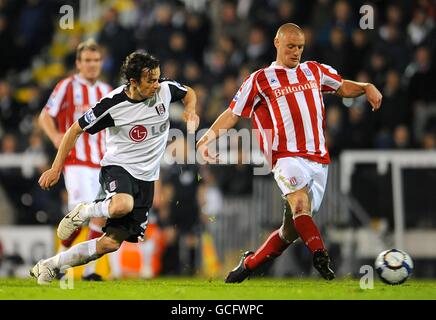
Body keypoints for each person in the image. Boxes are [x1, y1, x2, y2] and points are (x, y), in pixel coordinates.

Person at [196, 23, 382, 282]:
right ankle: (320, 255)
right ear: (277, 44)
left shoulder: (314, 70)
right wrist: (205, 139)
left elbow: (341, 87)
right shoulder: (260, 79)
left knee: (290, 231)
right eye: (291, 46)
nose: (296, 52)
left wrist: (365, 86)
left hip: (319, 160)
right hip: (286, 157)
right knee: (299, 204)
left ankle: (248, 265)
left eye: (300, 47)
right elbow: (233, 113)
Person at [31, 51, 199, 284]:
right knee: (122, 204)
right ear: (133, 82)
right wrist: (56, 168)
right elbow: (75, 129)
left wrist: (190, 110)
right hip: (118, 167)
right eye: (150, 81)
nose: (157, 85)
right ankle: (85, 211)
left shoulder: (166, 89)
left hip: (147, 177)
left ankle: (49, 265)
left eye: (158, 78)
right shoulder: (113, 104)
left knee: (110, 243)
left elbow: (189, 92)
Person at [38, 39, 112, 281]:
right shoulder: (67, 86)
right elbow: (45, 116)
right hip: (77, 161)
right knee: (79, 214)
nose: (92, 65)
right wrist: (56, 136)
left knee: (100, 215)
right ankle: (58, 262)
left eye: (96, 60)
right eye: (87, 61)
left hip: (102, 162)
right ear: (78, 63)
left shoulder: (106, 91)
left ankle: (90, 272)